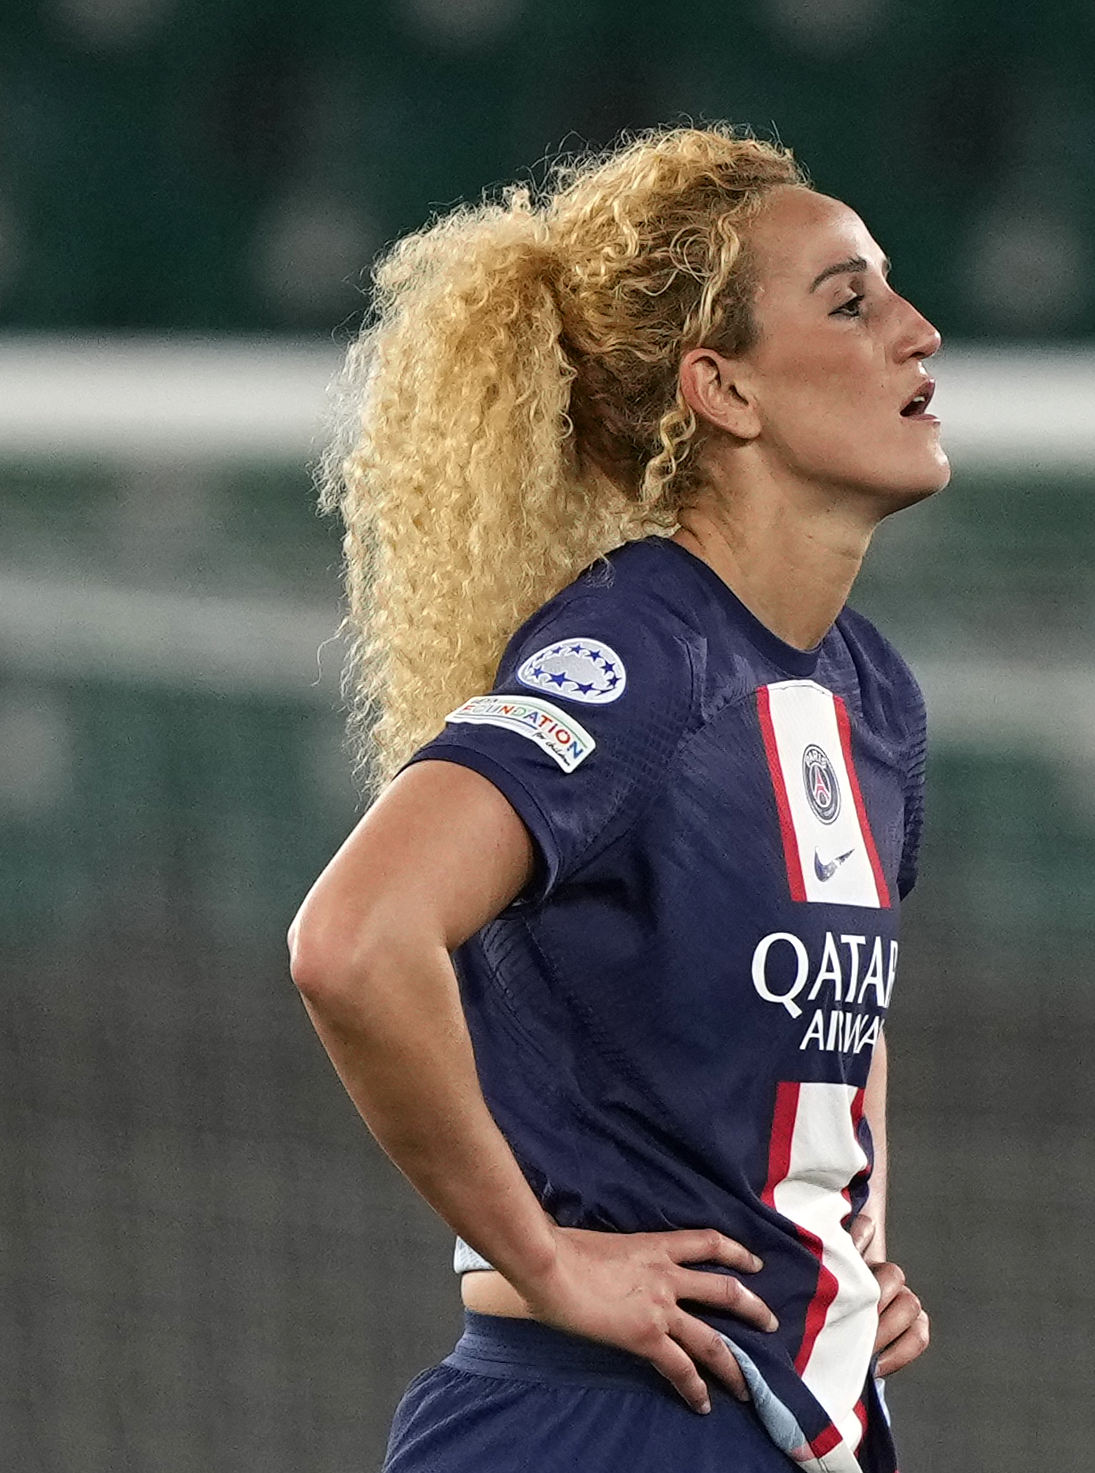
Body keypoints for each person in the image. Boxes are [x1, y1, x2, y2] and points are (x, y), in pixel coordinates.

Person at [287, 126, 941, 1473]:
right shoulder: (642, 654)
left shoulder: (869, 691)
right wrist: (548, 1258)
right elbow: (354, 940)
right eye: (851, 300)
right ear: (723, 390)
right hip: (599, 1420)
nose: (917, 330)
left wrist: (841, 1246)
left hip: (785, 1416)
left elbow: (835, 1016)